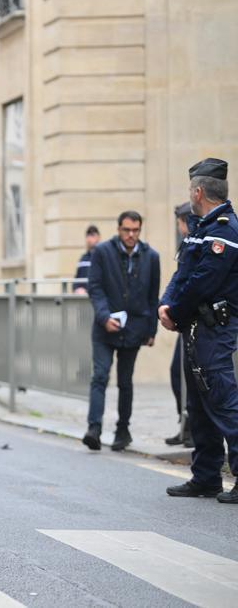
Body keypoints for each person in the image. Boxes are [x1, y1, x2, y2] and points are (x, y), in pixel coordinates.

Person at [159, 158, 238, 504]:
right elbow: (182, 275)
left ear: (199, 191)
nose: (189, 195)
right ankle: (205, 477)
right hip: (194, 328)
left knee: (223, 401)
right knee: (200, 405)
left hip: (213, 329)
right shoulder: (200, 227)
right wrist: (166, 306)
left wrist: (175, 311)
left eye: (191, 190)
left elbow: (204, 283)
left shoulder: (224, 231)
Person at [81, 211, 160, 452]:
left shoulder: (151, 256)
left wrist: (151, 330)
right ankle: (94, 429)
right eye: (126, 230)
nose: (131, 235)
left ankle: (122, 430)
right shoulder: (103, 252)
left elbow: (152, 296)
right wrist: (104, 317)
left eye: (135, 230)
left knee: (126, 381)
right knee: (100, 376)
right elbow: (94, 288)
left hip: (134, 328)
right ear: (118, 229)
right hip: (104, 328)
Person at [166, 202, 194, 447]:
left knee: (188, 375)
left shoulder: (196, 243)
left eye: (178, 221)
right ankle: (185, 424)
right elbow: (177, 280)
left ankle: (192, 428)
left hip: (196, 322)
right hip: (183, 319)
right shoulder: (187, 244)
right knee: (178, 373)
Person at [74, 226, 101, 294]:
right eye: (88, 236)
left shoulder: (103, 257)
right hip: (84, 298)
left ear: (98, 237)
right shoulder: (83, 259)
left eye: (92, 236)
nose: (89, 239)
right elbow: (77, 280)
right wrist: (77, 289)